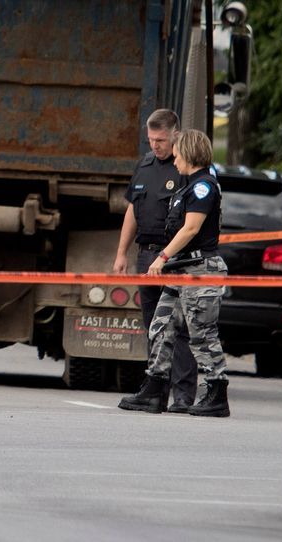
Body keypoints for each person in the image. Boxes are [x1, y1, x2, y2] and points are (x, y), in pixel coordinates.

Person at [118, 128, 230, 418]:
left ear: (189, 154)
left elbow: (191, 228)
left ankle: (216, 392)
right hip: (179, 271)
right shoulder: (188, 187)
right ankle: (154, 390)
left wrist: (162, 256)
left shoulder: (203, 186)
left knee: (201, 334)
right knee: (161, 327)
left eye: (178, 155)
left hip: (199, 271)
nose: (175, 159)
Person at [113, 109, 198, 412]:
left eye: (160, 140)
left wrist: (168, 256)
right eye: (151, 139)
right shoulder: (145, 165)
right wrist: (122, 252)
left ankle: (184, 395)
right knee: (154, 327)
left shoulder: (187, 167)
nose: (155, 145)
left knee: (179, 327)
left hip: (174, 257)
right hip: (146, 254)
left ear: (176, 134)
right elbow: (133, 210)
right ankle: (155, 392)